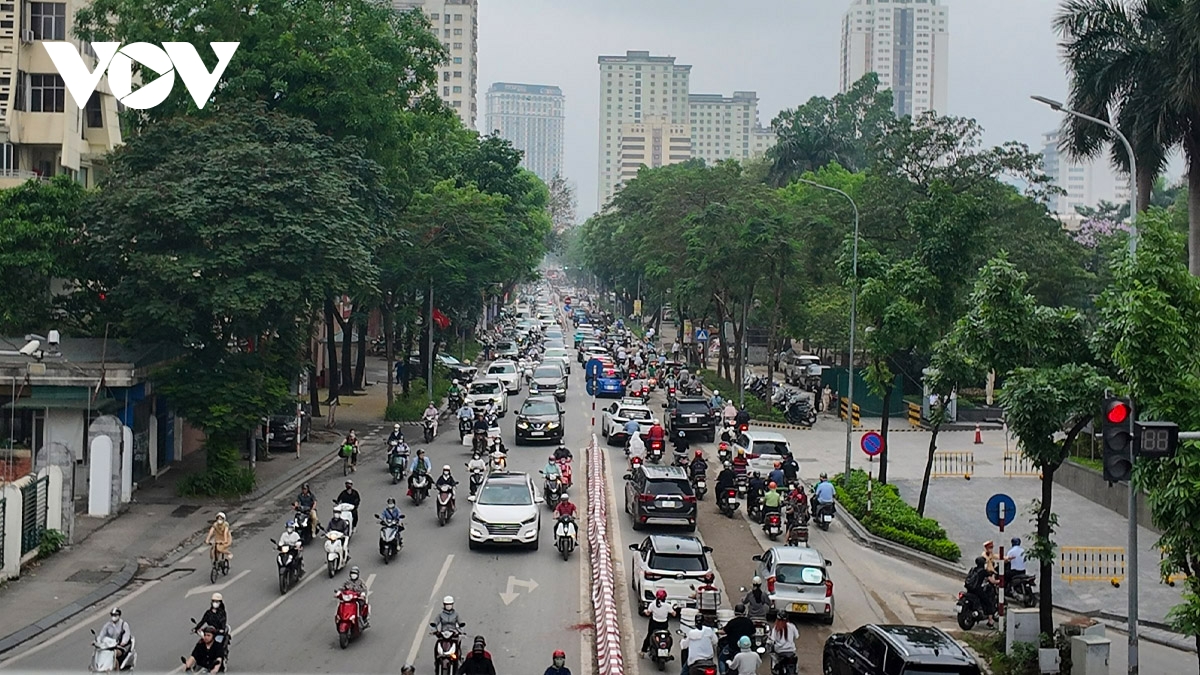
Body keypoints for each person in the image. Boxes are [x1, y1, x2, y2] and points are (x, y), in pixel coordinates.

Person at [718, 604, 756, 675]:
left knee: (721, 659)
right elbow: (753, 633)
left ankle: (723, 673)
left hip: (732, 648)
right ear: (745, 612)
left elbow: (724, 631)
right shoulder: (749, 622)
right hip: (746, 649)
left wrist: (716, 631)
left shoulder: (732, 622)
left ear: (735, 612)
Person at [641, 589, 677, 656]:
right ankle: (667, 652)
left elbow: (648, 613)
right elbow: (674, 614)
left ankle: (643, 651)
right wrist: (673, 609)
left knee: (649, 636)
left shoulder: (653, 604)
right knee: (666, 637)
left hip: (654, 624)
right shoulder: (667, 605)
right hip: (664, 625)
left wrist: (645, 611)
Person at [965, 556, 999, 627]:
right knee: (988, 602)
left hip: (969, 590)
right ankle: (990, 621)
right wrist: (1000, 581)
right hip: (977, 590)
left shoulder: (973, 569)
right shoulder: (983, 572)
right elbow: (992, 581)